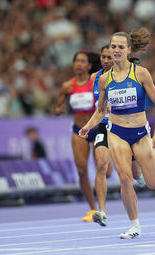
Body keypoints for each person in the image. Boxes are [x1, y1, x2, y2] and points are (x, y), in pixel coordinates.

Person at [79, 27, 155, 239]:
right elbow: (101, 110)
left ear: (128, 50)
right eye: (113, 47)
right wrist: (88, 126)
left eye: (120, 47)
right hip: (116, 132)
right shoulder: (104, 79)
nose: (116, 50)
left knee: (154, 184)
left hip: (141, 133)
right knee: (125, 178)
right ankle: (134, 225)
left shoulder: (140, 73)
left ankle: (152, 159)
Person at [90, 45, 146, 227]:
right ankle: (102, 211)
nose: (106, 60)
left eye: (109, 57)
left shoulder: (128, 75)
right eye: (103, 57)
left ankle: (140, 176)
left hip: (123, 128)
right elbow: (99, 107)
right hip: (104, 127)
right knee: (101, 165)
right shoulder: (96, 78)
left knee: (134, 173)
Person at [54, 51, 99, 222]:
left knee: (104, 170)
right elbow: (57, 108)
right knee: (81, 170)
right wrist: (59, 110)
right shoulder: (67, 86)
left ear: (89, 65)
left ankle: (100, 200)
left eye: (83, 61)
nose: (79, 64)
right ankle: (93, 209)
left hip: (96, 128)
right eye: (77, 61)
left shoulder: (95, 81)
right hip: (79, 130)